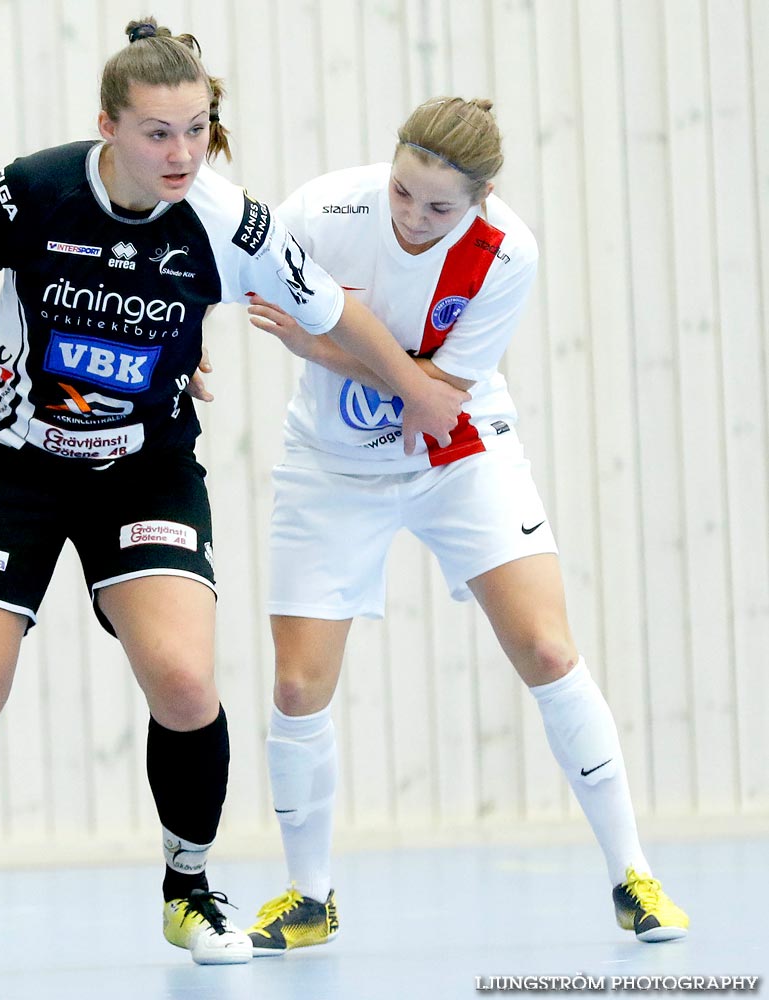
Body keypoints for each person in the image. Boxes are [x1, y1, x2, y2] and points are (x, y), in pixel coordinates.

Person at [0, 19, 469, 977]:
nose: (181, 153)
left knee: (187, 684)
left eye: (196, 128)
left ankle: (188, 892)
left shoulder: (228, 221)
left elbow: (334, 310)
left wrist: (416, 386)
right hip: (11, 468)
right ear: (106, 125)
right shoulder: (34, 188)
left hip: (144, 471)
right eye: (156, 133)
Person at [243, 96, 689, 954]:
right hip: (331, 469)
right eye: (403, 193)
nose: (412, 218)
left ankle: (633, 874)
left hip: (459, 455)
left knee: (550, 652)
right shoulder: (323, 209)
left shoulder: (504, 251)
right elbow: (236, 273)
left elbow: (433, 397)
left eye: (438, 207)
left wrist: (318, 341)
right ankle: (309, 898)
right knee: (297, 688)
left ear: (479, 201)